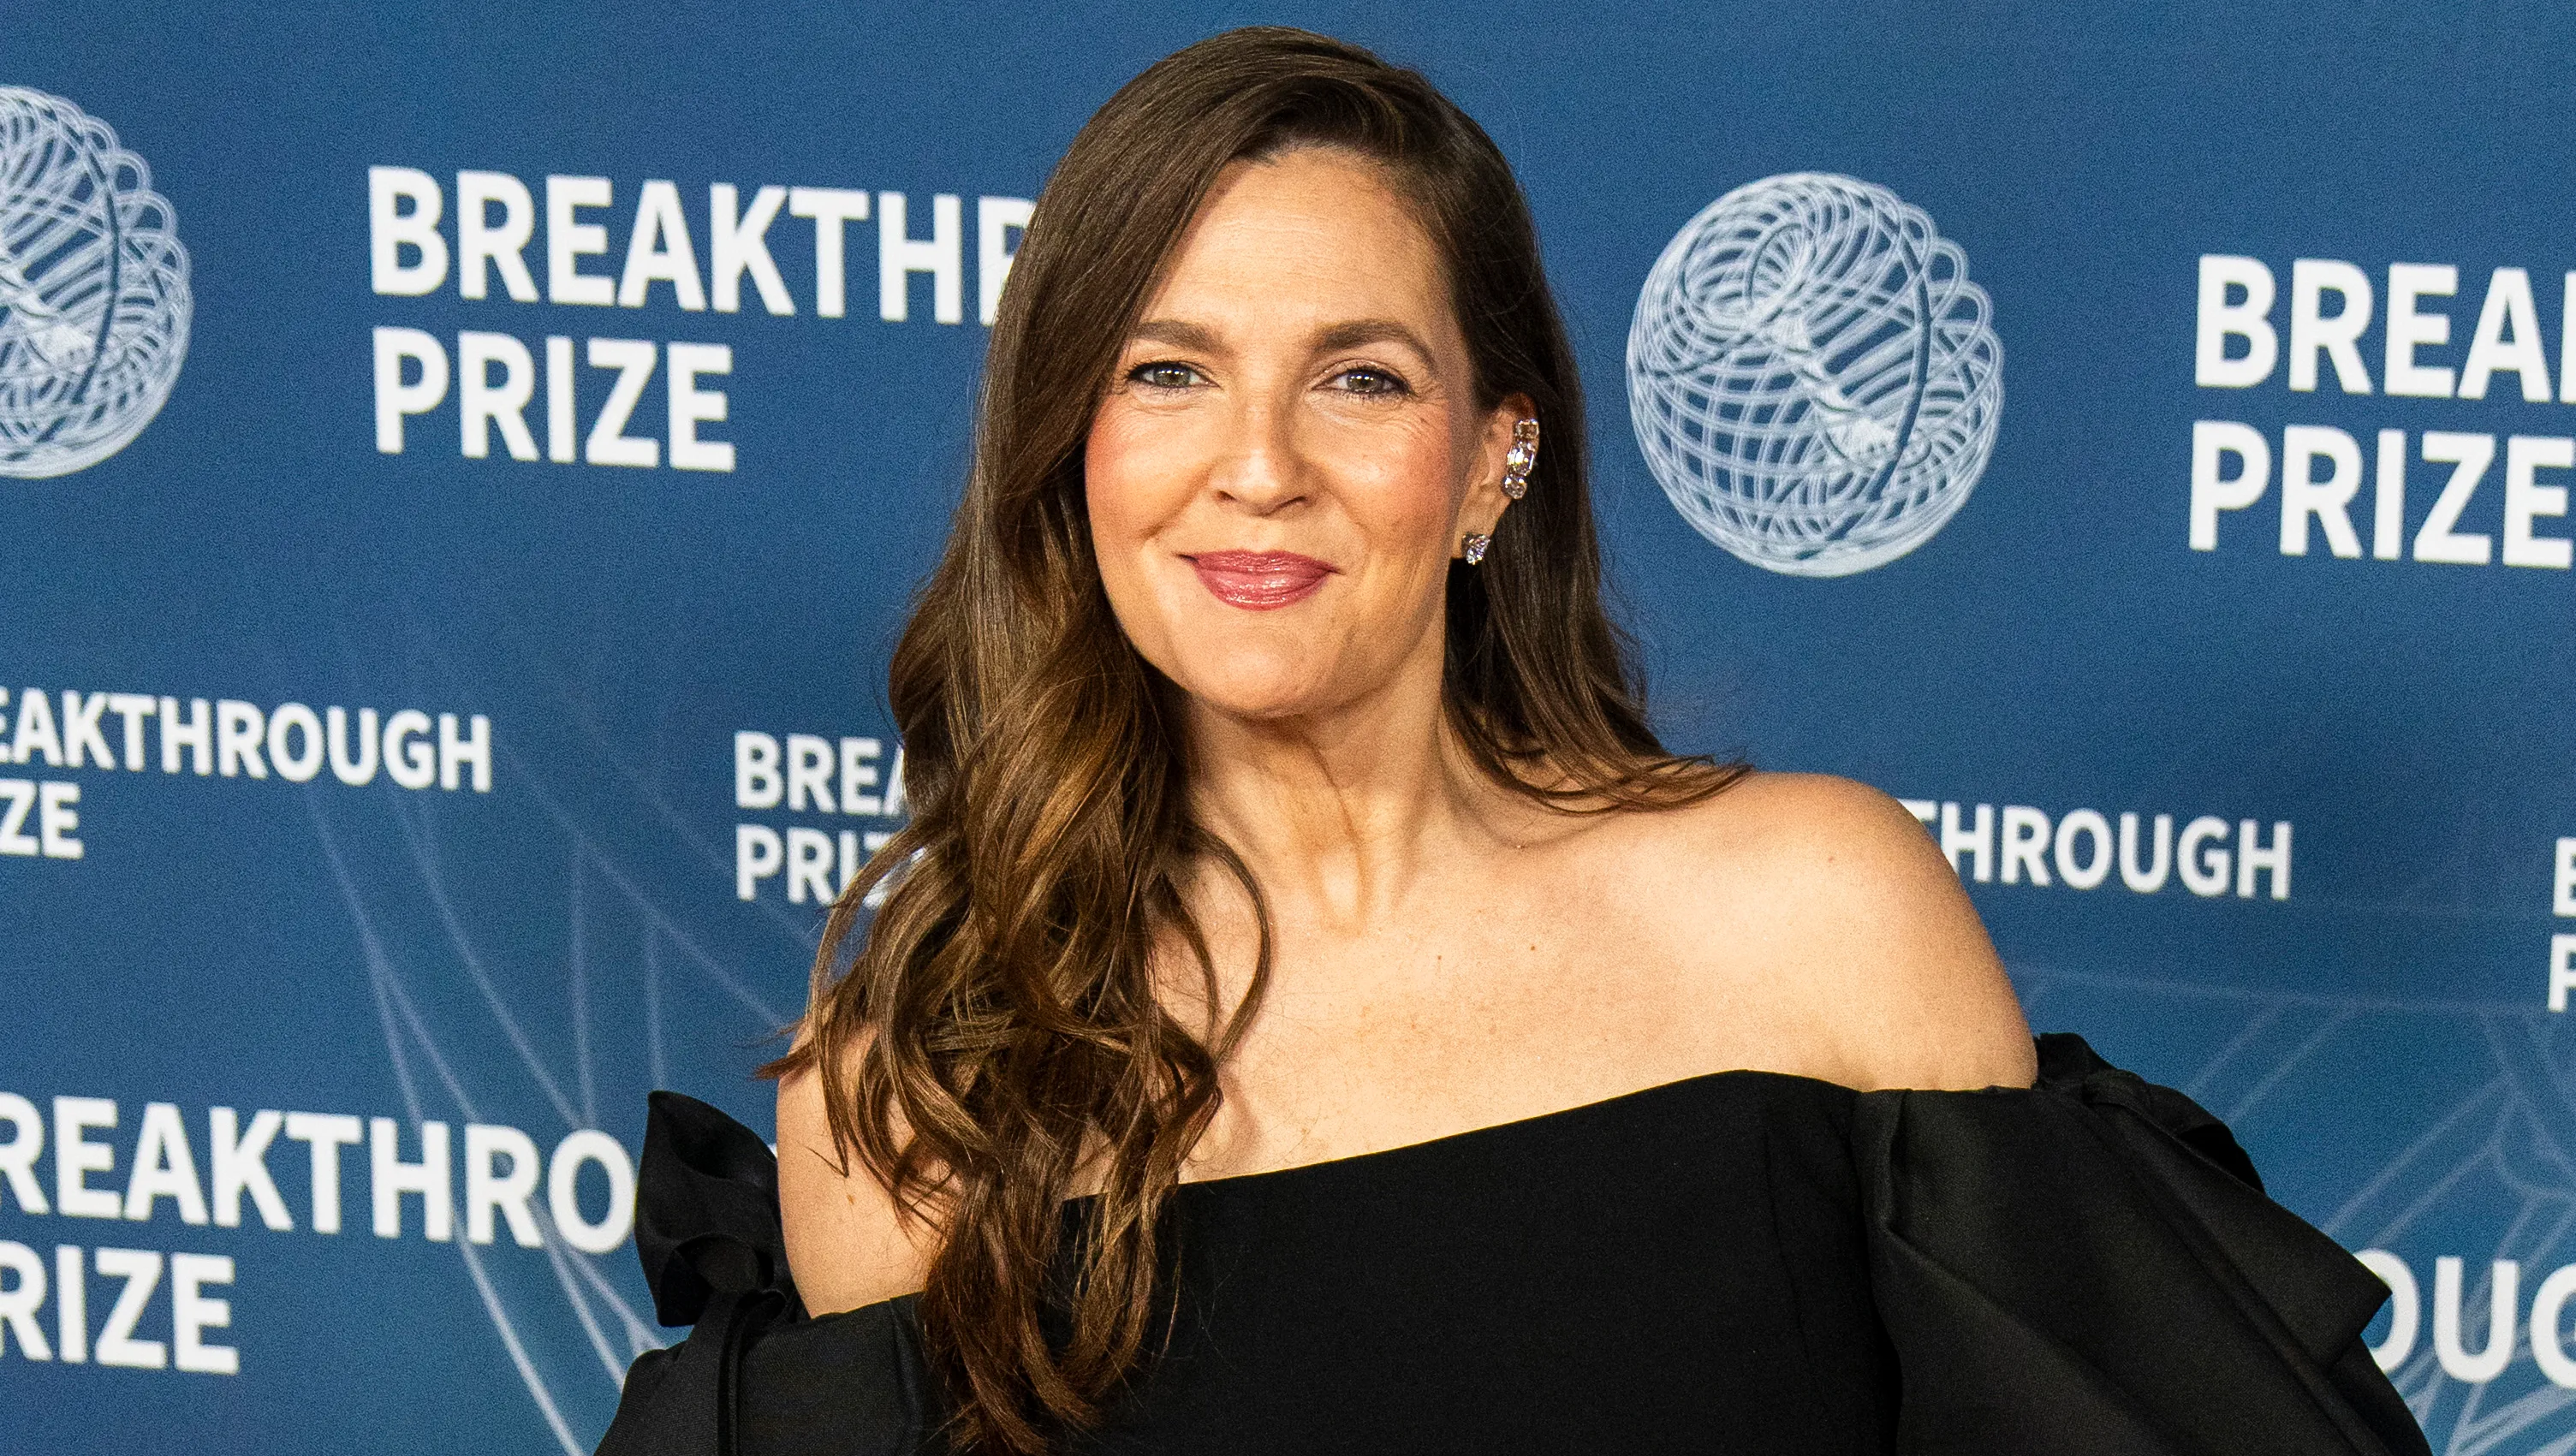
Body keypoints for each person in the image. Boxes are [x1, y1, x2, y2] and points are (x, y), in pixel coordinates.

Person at [598, 27, 2429, 1456]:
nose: (1258, 461)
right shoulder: (911, 1090)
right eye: (1165, 371)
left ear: (1494, 458)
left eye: (1359, 375)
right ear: (1073, 458)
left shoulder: (1809, 915)